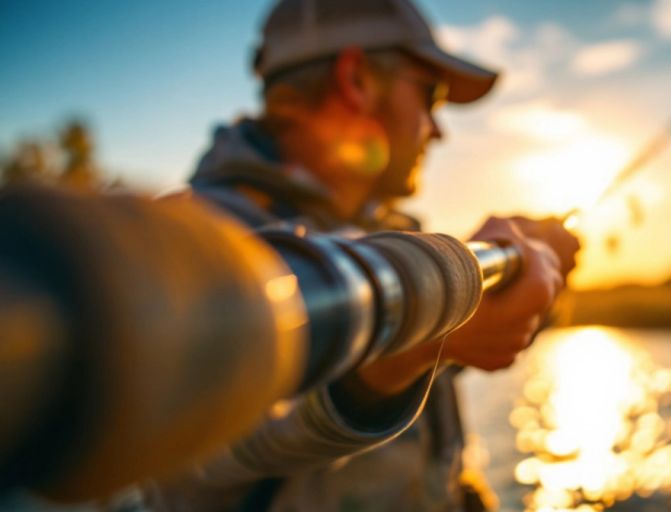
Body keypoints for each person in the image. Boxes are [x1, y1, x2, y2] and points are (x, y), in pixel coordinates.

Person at [146, 0, 580, 510]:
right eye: (430, 95)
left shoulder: (391, 231)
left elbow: (454, 353)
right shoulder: (191, 247)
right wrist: (419, 339)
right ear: (357, 80)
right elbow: (206, 446)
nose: (438, 130)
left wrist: (525, 293)